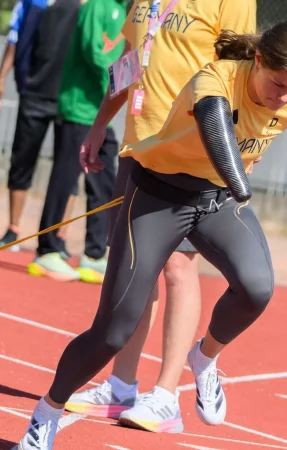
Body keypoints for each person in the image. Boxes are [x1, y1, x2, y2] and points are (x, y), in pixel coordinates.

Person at [12, 19, 287, 449]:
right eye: (279, 83)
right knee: (113, 330)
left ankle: (205, 358)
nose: (286, 96)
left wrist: (236, 187)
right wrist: (243, 186)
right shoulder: (214, 79)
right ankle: (45, 413)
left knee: (257, 289)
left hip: (217, 201)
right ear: (257, 59)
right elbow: (217, 130)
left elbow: (254, 137)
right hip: (159, 195)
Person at [63, 0, 256, 432]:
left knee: (177, 267)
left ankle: (166, 396)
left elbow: (240, 74)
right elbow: (130, 59)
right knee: (134, 267)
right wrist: (100, 123)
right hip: (139, 147)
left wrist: (236, 154)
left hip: (189, 152)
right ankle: (120, 386)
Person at [27, 0, 127, 283]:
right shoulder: (99, 5)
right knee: (65, 178)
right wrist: (120, 87)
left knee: (106, 180)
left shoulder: (130, 11)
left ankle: (94, 255)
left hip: (99, 114)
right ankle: (47, 251)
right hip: (80, 107)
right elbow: (93, 52)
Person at [0, 0, 82, 253]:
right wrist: (0, 80)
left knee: (68, 169)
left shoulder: (84, 4)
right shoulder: (31, 3)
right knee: (22, 160)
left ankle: (58, 236)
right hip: (34, 92)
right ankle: (13, 229)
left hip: (71, 96)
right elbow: (13, 40)